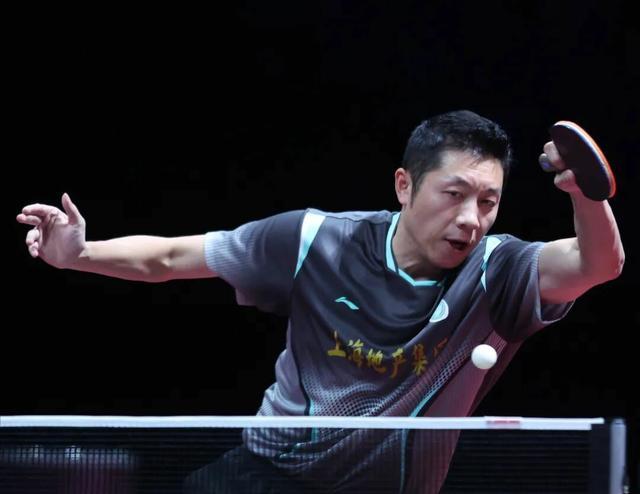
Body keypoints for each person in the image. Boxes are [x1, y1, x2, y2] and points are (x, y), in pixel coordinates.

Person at [17, 110, 624, 493]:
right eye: (454, 194)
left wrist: (585, 194)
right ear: (404, 185)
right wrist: (80, 254)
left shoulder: (499, 271)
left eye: (488, 203)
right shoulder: (316, 240)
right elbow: (173, 257)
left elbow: (598, 265)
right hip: (268, 475)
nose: (471, 218)